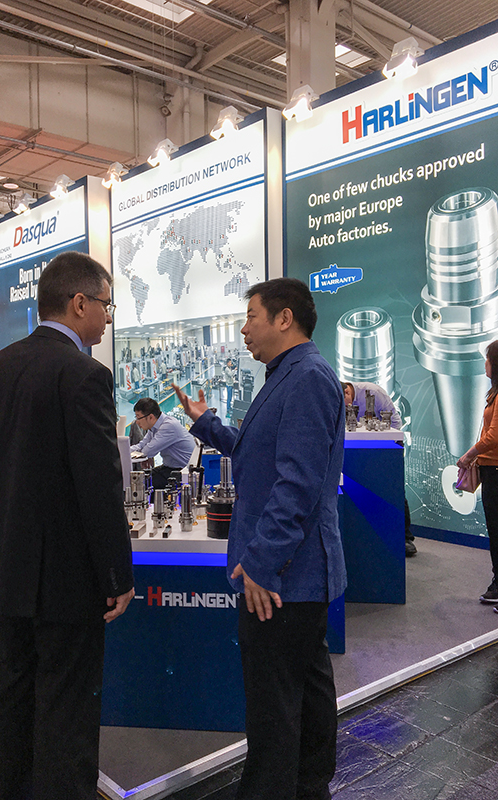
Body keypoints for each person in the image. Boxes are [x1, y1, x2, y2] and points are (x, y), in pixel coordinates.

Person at [174, 277, 346, 800]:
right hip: (289, 574)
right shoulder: (286, 375)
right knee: (305, 688)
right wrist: (207, 424)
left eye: (251, 317)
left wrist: (262, 563)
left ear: (284, 318)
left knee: (274, 705)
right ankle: (309, 785)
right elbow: (258, 455)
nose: (245, 329)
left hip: (284, 577)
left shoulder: (307, 378)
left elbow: (297, 484)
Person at [0, 251, 134, 800]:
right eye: (107, 305)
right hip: (65, 582)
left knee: (12, 699)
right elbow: (100, 488)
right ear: (79, 303)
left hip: (5, 571)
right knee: (66, 714)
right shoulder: (85, 375)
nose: (108, 317)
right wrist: (118, 575)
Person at [341, 381, 417, 557]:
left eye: (344, 402)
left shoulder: (373, 392)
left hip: (386, 448)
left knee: (395, 491)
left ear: (347, 393)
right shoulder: (341, 396)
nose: (345, 407)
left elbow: (395, 422)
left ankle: (405, 538)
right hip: (359, 451)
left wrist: (387, 452)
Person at [458, 340, 498, 605]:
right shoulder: (494, 393)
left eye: (488, 359)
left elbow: (493, 436)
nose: (485, 364)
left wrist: (469, 454)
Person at [130, 397, 195, 489]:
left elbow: (147, 451)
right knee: (139, 479)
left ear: (151, 417)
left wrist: (144, 455)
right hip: (169, 468)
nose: (137, 422)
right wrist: (122, 451)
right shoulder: (154, 428)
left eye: (138, 417)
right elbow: (141, 445)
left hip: (182, 471)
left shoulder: (168, 426)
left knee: (142, 484)